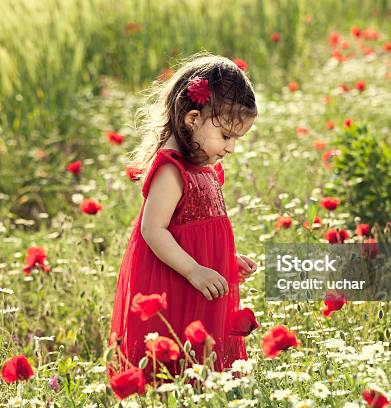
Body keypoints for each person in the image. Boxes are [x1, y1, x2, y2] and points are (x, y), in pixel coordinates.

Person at [108, 53, 258, 382]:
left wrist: (225, 261)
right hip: (176, 282)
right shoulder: (171, 170)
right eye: (227, 136)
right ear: (192, 118)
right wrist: (194, 270)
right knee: (178, 360)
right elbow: (153, 229)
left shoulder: (205, 169)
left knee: (203, 363)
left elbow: (196, 233)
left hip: (197, 279)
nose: (231, 148)